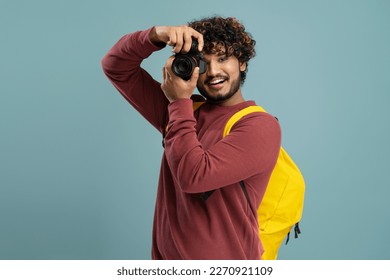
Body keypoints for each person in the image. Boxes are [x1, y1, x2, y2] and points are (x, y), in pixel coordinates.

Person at [101, 16, 281, 260]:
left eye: (223, 58)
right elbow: (115, 66)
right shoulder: (184, 111)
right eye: (203, 63)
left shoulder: (259, 126)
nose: (214, 71)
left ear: (242, 63)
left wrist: (179, 102)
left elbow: (194, 176)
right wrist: (155, 35)